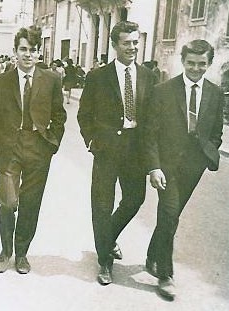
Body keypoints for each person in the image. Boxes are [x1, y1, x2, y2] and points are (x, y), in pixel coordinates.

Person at [0, 25, 66, 274]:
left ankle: (21, 254)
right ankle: (5, 250)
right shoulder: (1, 82)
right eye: (24, 49)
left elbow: (59, 116)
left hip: (38, 148)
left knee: (30, 203)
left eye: (34, 50)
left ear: (40, 53)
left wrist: (52, 143)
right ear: (16, 51)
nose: (28, 54)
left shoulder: (51, 79)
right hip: (10, 148)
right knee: (8, 201)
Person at [77, 21, 156, 286]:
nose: (132, 47)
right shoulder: (98, 77)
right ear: (115, 45)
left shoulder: (147, 76)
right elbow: (84, 114)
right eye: (127, 43)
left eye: (135, 42)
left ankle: (106, 238)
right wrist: (91, 142)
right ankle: (105, 262)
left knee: (135, 198)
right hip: (107, 150)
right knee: (101, 205)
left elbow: (152, 119)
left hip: (135, 151)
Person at [144, 39, 224, 300]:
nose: (196, 69)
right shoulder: (164, 90)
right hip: (166, 167)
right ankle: (165, 275)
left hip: (193, 168)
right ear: (183, 61)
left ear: (209, 64)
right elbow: (150, 134)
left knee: (172, 215)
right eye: (191, 63)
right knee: (169, 214)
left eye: (202, 64)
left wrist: (207, 154)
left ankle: (152, 255)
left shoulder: (215, 94)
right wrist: (154, 167)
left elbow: (216, 132)